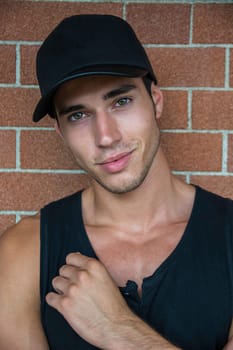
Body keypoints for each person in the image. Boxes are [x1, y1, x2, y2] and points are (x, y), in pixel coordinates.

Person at [0, 14, 232, 350]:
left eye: (120, 101)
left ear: (155, 101)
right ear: (60, 132)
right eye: (78, 115)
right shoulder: (21, 253)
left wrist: (118, 329)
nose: (106, 136)